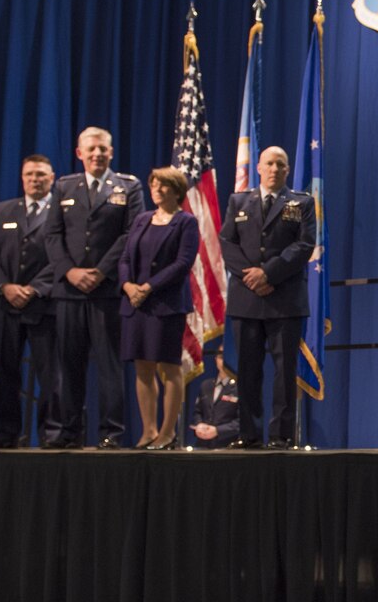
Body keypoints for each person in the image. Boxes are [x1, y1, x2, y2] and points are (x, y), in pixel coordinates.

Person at [44, 126, 146, 448]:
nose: (97, 154)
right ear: (80, 154)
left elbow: (132, 234)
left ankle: (111, 433)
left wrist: (101, 272)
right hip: (69, 292)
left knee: (109, 366)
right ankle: (69, 432)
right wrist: (69, 272)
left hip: (106, 292)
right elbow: (52, 235)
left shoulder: (128, 187)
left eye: (103, 149)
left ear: (111, 152)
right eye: (91, 150)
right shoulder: (64, 186)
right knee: (68, 366)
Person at [220, 145, 316, 448]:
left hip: (284, 298)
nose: (274, 169)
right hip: (247, 298)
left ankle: (281, 434)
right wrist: (252, 276)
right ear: (258, 168)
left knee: (284, 372)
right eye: (269, 164)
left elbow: (304, 245)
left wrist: (268, 274)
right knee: (247, 371)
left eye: (281, 165)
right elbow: (226, 242)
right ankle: (247, 434)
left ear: (287, 170)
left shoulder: (302, 202)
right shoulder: (239, 201)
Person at [0, 154, 62, 448]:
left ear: (52, 178)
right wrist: (5, 286)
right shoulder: (1, 211)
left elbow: (66, 255)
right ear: (22, 177)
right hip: (5, 304)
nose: (34, 179)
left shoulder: (61, 211)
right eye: (29, 174)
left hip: (45, 304)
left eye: (40, 174)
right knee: (4, 372)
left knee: (51, 375)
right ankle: (3, 432)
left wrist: (35, 288)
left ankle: (52, 434)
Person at [117, 166, 201, 451]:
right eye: (154, 184)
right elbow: (125, 257)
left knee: (168, 367)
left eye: (164, 185)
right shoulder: (142, 219)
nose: (157, 189)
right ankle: (149, 430)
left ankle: (167, 432)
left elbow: (182, 263)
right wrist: (128, 286)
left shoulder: (186, 222)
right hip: (136, 303)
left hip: (166, 304)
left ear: (177, 191)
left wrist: (148, 287)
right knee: (142, 366)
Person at [191, 346, 242, 447]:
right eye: (221, 357)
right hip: (202, 445)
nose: (223, 361)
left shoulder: (240, 387)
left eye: (226, 357)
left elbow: (242, 421)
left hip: (228, 446)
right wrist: (199, 424)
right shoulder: (206, 385)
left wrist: (218, 431)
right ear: (216, 359)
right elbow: (197, 412)